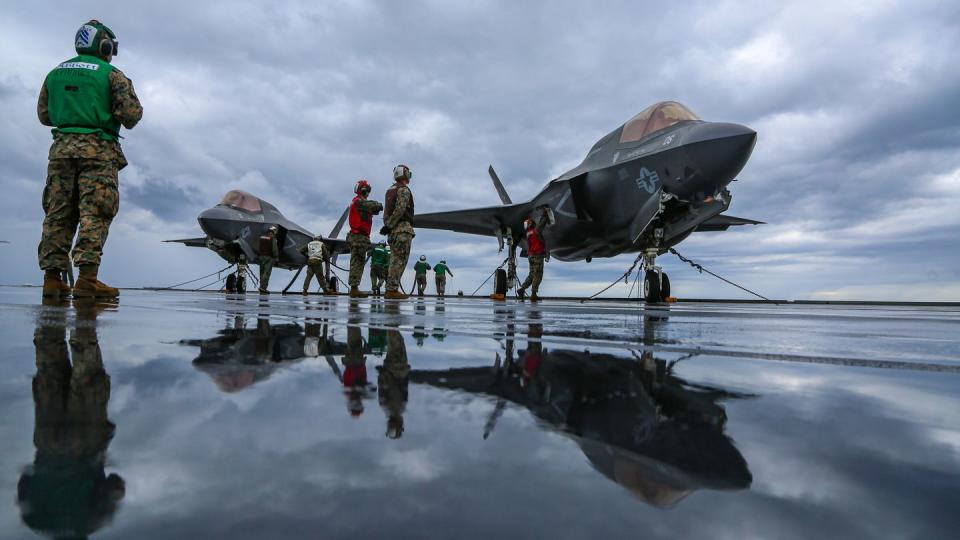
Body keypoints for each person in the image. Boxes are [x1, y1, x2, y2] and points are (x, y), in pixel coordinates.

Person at [37, 20, 143, 298]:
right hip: (98, 151)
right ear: (104, 46)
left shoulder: (54, 73)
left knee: (58, 212)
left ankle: (52, 279)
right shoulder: (112, 75)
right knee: (95, 212)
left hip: (60, 152)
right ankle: (86, 279)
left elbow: (44, 115)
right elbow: (131, 116)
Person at [380, 164, 415, 299]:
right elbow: (400, 209)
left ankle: (390, 288)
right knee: (399, 260)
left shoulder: (390, 190)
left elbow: (386, 212)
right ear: (404, 174)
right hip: (402, 229)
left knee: (394, 259)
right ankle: (392, 290)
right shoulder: (403, 190)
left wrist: (388, 226)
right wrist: (391, 225)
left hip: (392, 231)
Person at [346, 180, 383, 298]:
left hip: (361, 237)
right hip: (358, 237)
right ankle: (354, 288)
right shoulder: (358, 201)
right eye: (367, 189)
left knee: (359, 262)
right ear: (362, 190)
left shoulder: (360, 203)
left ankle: (355, 288)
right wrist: (379, 205)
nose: (368, 192)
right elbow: (375, 206)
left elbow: (375, 210)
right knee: (357, 262)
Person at [378, 330, 410, 439]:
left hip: (398, 368)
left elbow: (400, 385)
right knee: (394, 341)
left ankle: (391, 319)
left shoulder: (397, 407)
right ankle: (391, 321)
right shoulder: (386, 407)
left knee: (395, 339)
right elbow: (382, 386)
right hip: (391, 368)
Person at [517, 215, 547, 301]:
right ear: (531, 224)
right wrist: (545, 215)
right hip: (537, 256)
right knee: (538, 275)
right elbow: (542, 224)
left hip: (531, 256)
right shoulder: (535, 231)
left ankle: (522, 289)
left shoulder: (528, 233)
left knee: (531, 275)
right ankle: (533, 295)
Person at [258, 225, 279, 294]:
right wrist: (276, 258)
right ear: (272, 232)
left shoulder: (262, 237)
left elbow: (258, 246)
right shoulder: (272, 238)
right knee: (266, 273)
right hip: (268, 257)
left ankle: (261, 286)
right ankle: (263, 288)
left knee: (261, 272)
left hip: (261, 257)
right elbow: (274, 249)